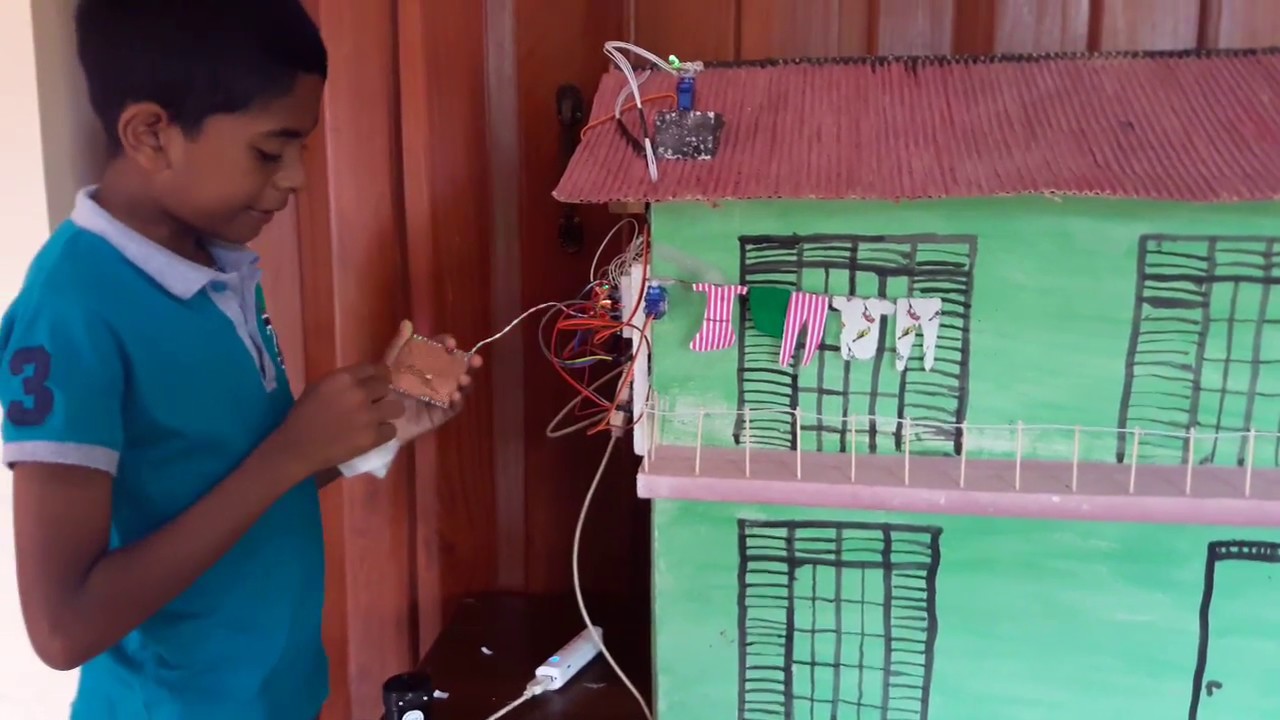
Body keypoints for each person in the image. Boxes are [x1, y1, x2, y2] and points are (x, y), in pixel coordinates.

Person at [0, 1, 481, 718]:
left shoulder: (216, 268)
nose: (297, 179)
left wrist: (364, 438)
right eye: (269, 150)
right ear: (151, 134)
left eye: (302, 147)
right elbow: (62, 628)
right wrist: (289, 453)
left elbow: (225, 480)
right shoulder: (69, 311)